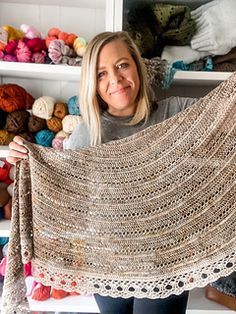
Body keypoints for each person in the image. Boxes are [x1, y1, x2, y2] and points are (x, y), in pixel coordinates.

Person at [7, 31, 198, 314]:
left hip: (163, 261)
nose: (115, 80)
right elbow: (66, 198)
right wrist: (26, 160)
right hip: (106, 263)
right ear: (92, 84)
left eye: (122, 65)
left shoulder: (177, 113)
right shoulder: (87, 133)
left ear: (137, 66)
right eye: (101, 74)